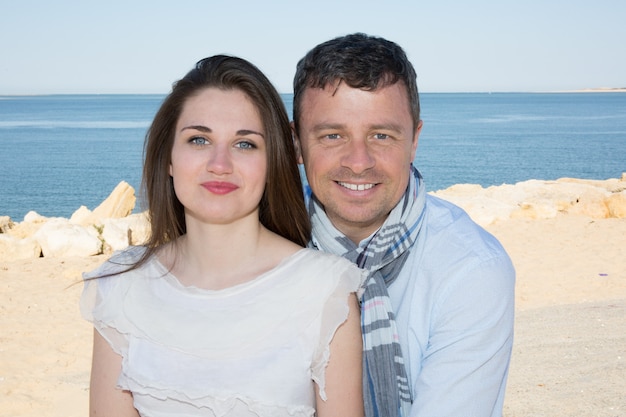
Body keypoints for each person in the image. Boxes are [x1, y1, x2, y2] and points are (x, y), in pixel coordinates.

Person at [80, 55, 366, 417]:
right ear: (169, 157)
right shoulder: (120, 287)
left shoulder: (326, 289)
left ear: (271, 161)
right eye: (199, 140)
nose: (220, 163)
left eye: (245, 144)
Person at [292, 33, 516, 417]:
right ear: (296, 143)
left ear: (414, 141)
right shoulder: (271, 246)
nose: (359, 161)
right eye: (333, 135)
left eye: (382, 135)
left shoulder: (471, 269)